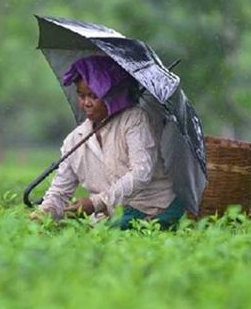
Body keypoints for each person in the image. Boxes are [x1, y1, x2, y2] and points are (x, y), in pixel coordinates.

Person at [30, 55, 185, 230]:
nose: (86, 103)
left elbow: (142, 173)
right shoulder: (75, 140)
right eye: (81, 95)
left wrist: (97, 202)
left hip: (155, 208)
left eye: (94, 96)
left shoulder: (134, 119)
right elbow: (59, 193)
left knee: (110, 232)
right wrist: (45, 213)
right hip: (112, 217)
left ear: (112, 95)